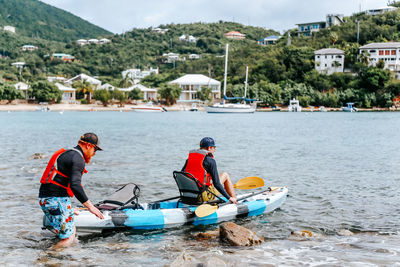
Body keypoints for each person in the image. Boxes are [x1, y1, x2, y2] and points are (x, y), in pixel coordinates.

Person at [38, 133, 104, 249]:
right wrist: (91, 207)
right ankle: (48, 256)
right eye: (95, 150)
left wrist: (67, 208)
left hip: (48, 198)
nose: (94, 153)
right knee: (69, 238)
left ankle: (58, 258)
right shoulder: (78, 159)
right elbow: (75, 185)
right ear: (88, 146)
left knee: (71, 230)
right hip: (55, 200)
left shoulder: (68, 153)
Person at [182, 137, 237, 204]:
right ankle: (234, 201)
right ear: (209, 148)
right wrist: (228, 198)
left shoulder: (189, 160)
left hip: (188, 196)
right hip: (203, 197)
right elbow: (217, 184)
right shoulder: (210, 161)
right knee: (225, 175)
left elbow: (182, 176)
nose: (215, 150)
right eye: (214, 147)